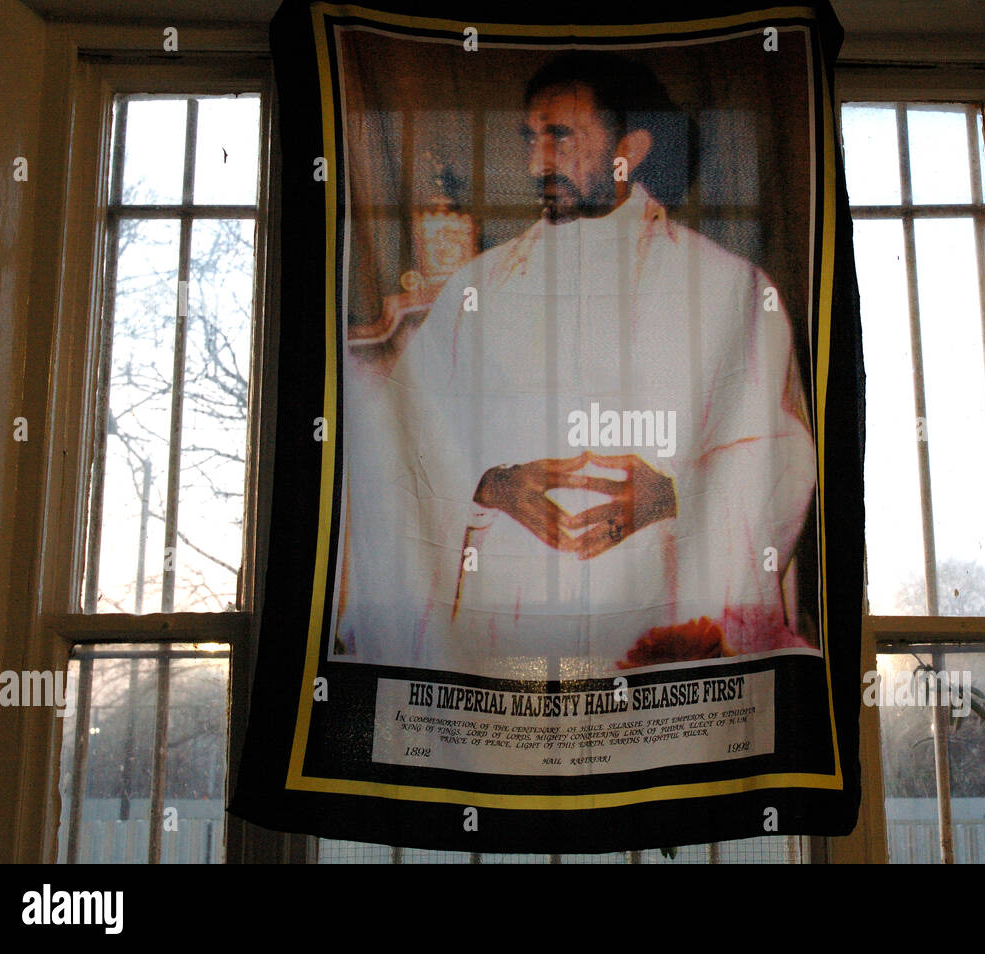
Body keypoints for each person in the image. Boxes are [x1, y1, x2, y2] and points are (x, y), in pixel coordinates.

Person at [337, 52, 818, 676]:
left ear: (630, 150)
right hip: (502, 614)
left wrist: (670, 494)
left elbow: (777, 455)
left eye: (560, 136)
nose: (536, 163)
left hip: (660, 606)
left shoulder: (728, 289)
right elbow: (401, 444)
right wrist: (491, 485)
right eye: (529, 138)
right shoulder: (477, 292)